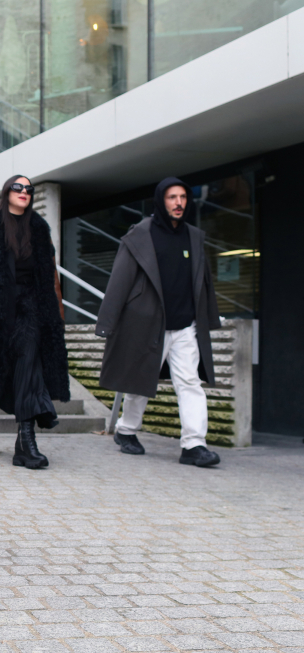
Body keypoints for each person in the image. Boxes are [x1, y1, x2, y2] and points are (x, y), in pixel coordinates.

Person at [96, 177, 222, 467]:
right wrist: (107, 321)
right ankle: (126, 431)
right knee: (140, 382)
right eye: (171, 197)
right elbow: (120, 279)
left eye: (183, 197)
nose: (178, 203)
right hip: (148, 323)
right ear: (160, 201)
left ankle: (194, 444)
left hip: (186, 325)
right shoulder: (141, 234)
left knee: (190, 382)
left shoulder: (193, 235)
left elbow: (204, 280)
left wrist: (208, 318)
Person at [0, 176, 70, 469]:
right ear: (7, 192)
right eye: (18, 187)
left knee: (29, 361)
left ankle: (26, 440)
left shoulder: (39, 229)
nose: (24, 192)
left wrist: (57, 318)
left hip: (31, 309)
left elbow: (51, 277)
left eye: (29, 189)